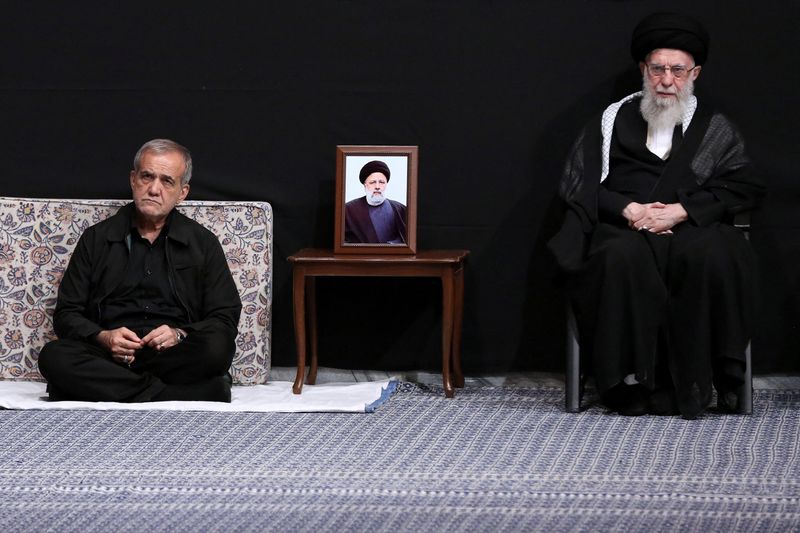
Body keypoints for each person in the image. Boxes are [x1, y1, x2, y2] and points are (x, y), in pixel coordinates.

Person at [549, 12, 764, 419]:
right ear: (644, 70)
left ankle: (703, 380)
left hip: (690, 225)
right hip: (625, 226)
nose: (667, 80)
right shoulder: (611, 121)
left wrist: (683, 212)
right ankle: (629, 382)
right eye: (658, 69)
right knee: (618, 257)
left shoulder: (713, 127)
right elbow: (576, 183)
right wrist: (629, 209)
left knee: (715, 255)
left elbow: (744, 185)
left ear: (694, 73)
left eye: (677, 70)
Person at [37, 139, 242, 402]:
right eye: (147, 176)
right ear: (133, 180)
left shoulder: (202, 242)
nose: (154, 189)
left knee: (217, 347)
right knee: (54, 357)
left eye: (167, 181)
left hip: (173, 357)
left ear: (182, 192)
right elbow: (66, 314)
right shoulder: (96, 238)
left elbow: (225, 317)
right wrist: (104, 337)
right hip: (110, 356)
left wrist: (180, 334)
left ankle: (104, 388)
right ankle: (181, 393)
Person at [345, 160, 407, 244]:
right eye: (372, 182)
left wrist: (390, 245)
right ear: (365, 185)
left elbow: (406, 239)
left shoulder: (400, 209)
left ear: (386, 185)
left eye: (381, 182)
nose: (377, 186)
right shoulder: (348, 210)